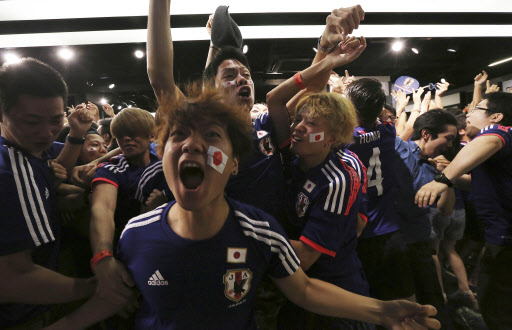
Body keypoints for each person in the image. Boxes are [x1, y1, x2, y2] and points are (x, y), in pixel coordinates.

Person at [45, 83, 441, 330]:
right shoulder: (134, 234)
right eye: (178, 135)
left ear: (233, 165)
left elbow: (304, 289)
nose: (193, 145)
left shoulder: (262, 232)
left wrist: (382, 312)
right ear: (160, 153)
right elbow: (111, 299)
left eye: (212, 136)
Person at [0, 58, 96, 328]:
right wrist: (98, 288)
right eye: (32, 122)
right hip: (19, 315)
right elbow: (13, 279)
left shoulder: (30, 148)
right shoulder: (10, 172)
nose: (46, 133)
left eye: (56, 120)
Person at [415, 92, 512, 329]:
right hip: (499, 235)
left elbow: (491, 139)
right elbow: (480, 184)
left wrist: (443, 179)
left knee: (496, 307)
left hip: (506, 238)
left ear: (496, 116)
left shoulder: (498, 132)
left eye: (478, 108)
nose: (469, 113)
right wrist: (453, 177)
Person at [346, 78, 415, 301]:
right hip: (390, 227)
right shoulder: (387, 131)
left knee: (365, 300)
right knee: (400, 297)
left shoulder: (346, 140)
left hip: (360, 231)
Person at [89, 107, 158, 306]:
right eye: (120, 135)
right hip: (129, 254)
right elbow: (102, 208)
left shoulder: (163, 158)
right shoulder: (111, 168)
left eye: (132, 133)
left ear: (151, 135)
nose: (125, 139)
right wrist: (103, 256)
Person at [394, 110, 457, 313]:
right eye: (448, 138)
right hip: (391, 241)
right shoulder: (396, 148)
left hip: (419, 241)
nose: (450, 145)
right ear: (426, 134)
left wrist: (446, 180)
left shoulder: (438, 168)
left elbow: (445, 211)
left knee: (432, 303)